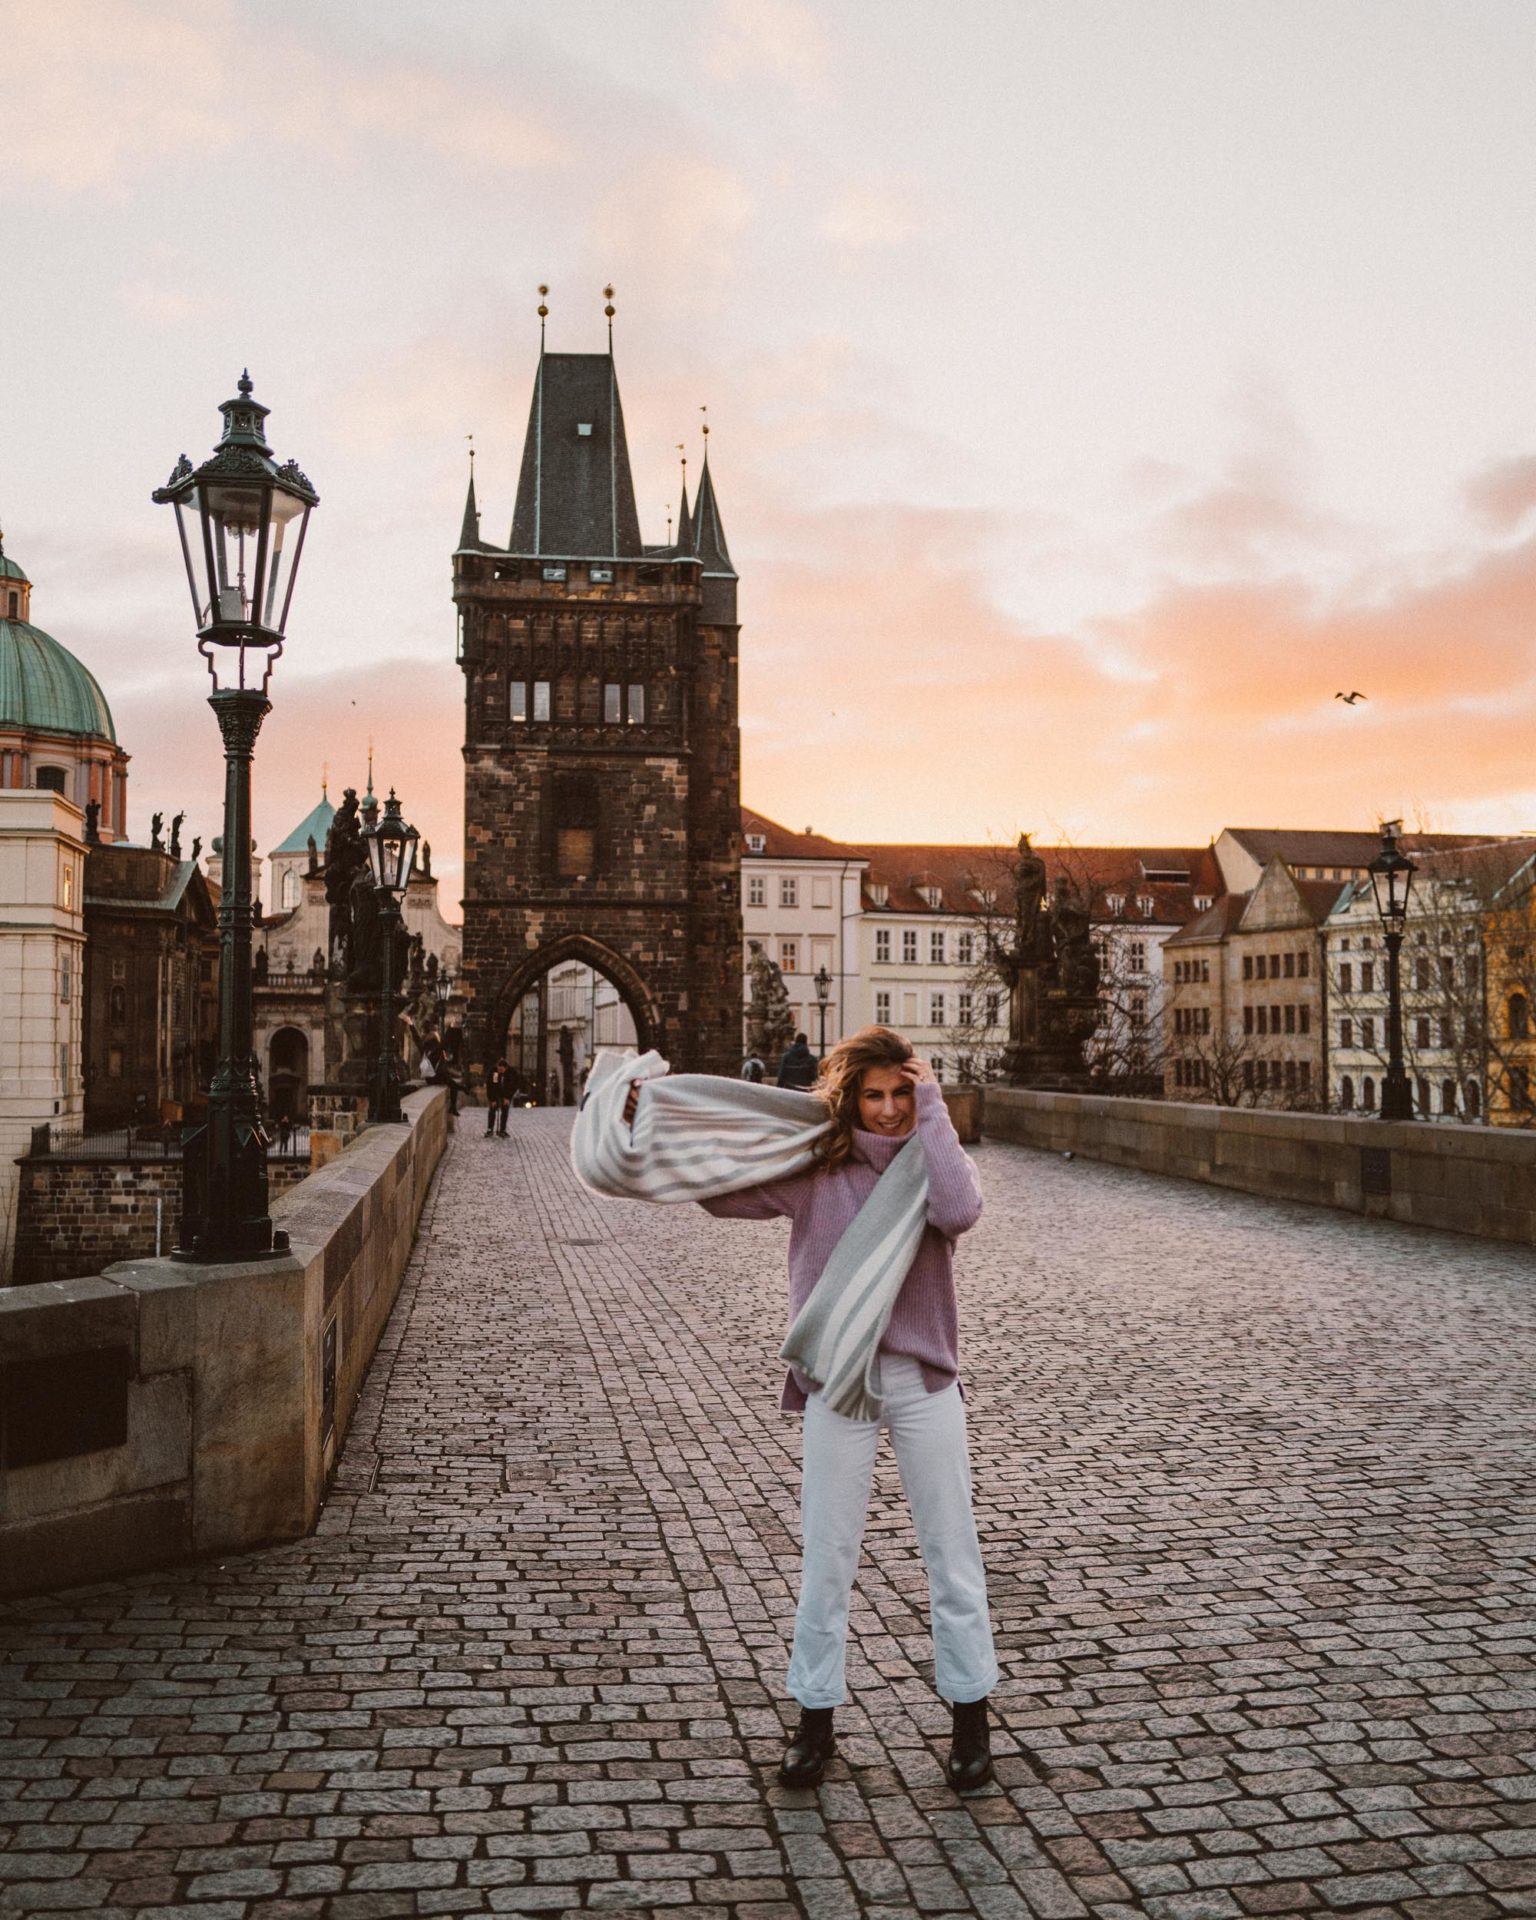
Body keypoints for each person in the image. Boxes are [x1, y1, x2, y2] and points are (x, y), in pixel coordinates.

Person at [693, 1026, 998, 1792]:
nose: (890, 1109)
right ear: (850, 1097)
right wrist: (655, 1123)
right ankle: (815, 1717)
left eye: (902, 1093)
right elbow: (716, 1194)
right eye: (876, 1095)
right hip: (838, 1380)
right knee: (827, 1555)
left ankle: (969, 1717)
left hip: (923, 1379)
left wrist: (935, 1109)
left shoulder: (931, 1165)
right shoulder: (817, 1170)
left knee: (951, 1553)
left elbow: (961, 1211)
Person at [486, 1059, 512, 1137]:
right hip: (495, 1092)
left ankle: (502, 1130)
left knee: (505, 1110)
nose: (500, 1071)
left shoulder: (509, 1073)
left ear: (505, 1069)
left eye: (502, 1070)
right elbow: (492, 1086)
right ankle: (490, 1129)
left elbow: (510, 1086)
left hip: (504, 1093)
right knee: (492, 1109)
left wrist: (507, 1097)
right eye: (499, 1069)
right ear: (497, 1067)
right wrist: (493, 1100)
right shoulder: (495, 1073)